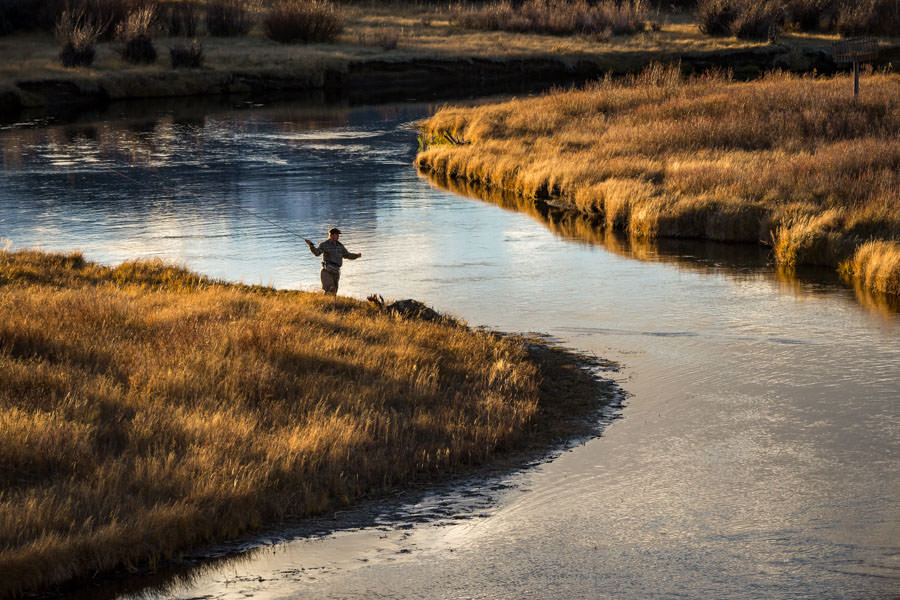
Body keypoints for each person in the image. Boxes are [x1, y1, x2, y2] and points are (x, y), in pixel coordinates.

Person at [304, 227, 361, 295]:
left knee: (334, 291)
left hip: (336, 272)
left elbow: (347, 255)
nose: (338, 236)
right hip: (327, 271)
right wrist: (311, 245)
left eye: (338, 235)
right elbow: (317, 253)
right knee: (330, 289)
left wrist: (356, 256)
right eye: (336, 234)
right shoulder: (324, 244)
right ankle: (325, 303)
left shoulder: (340, 246)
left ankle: (332, 304)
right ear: (331, 235)